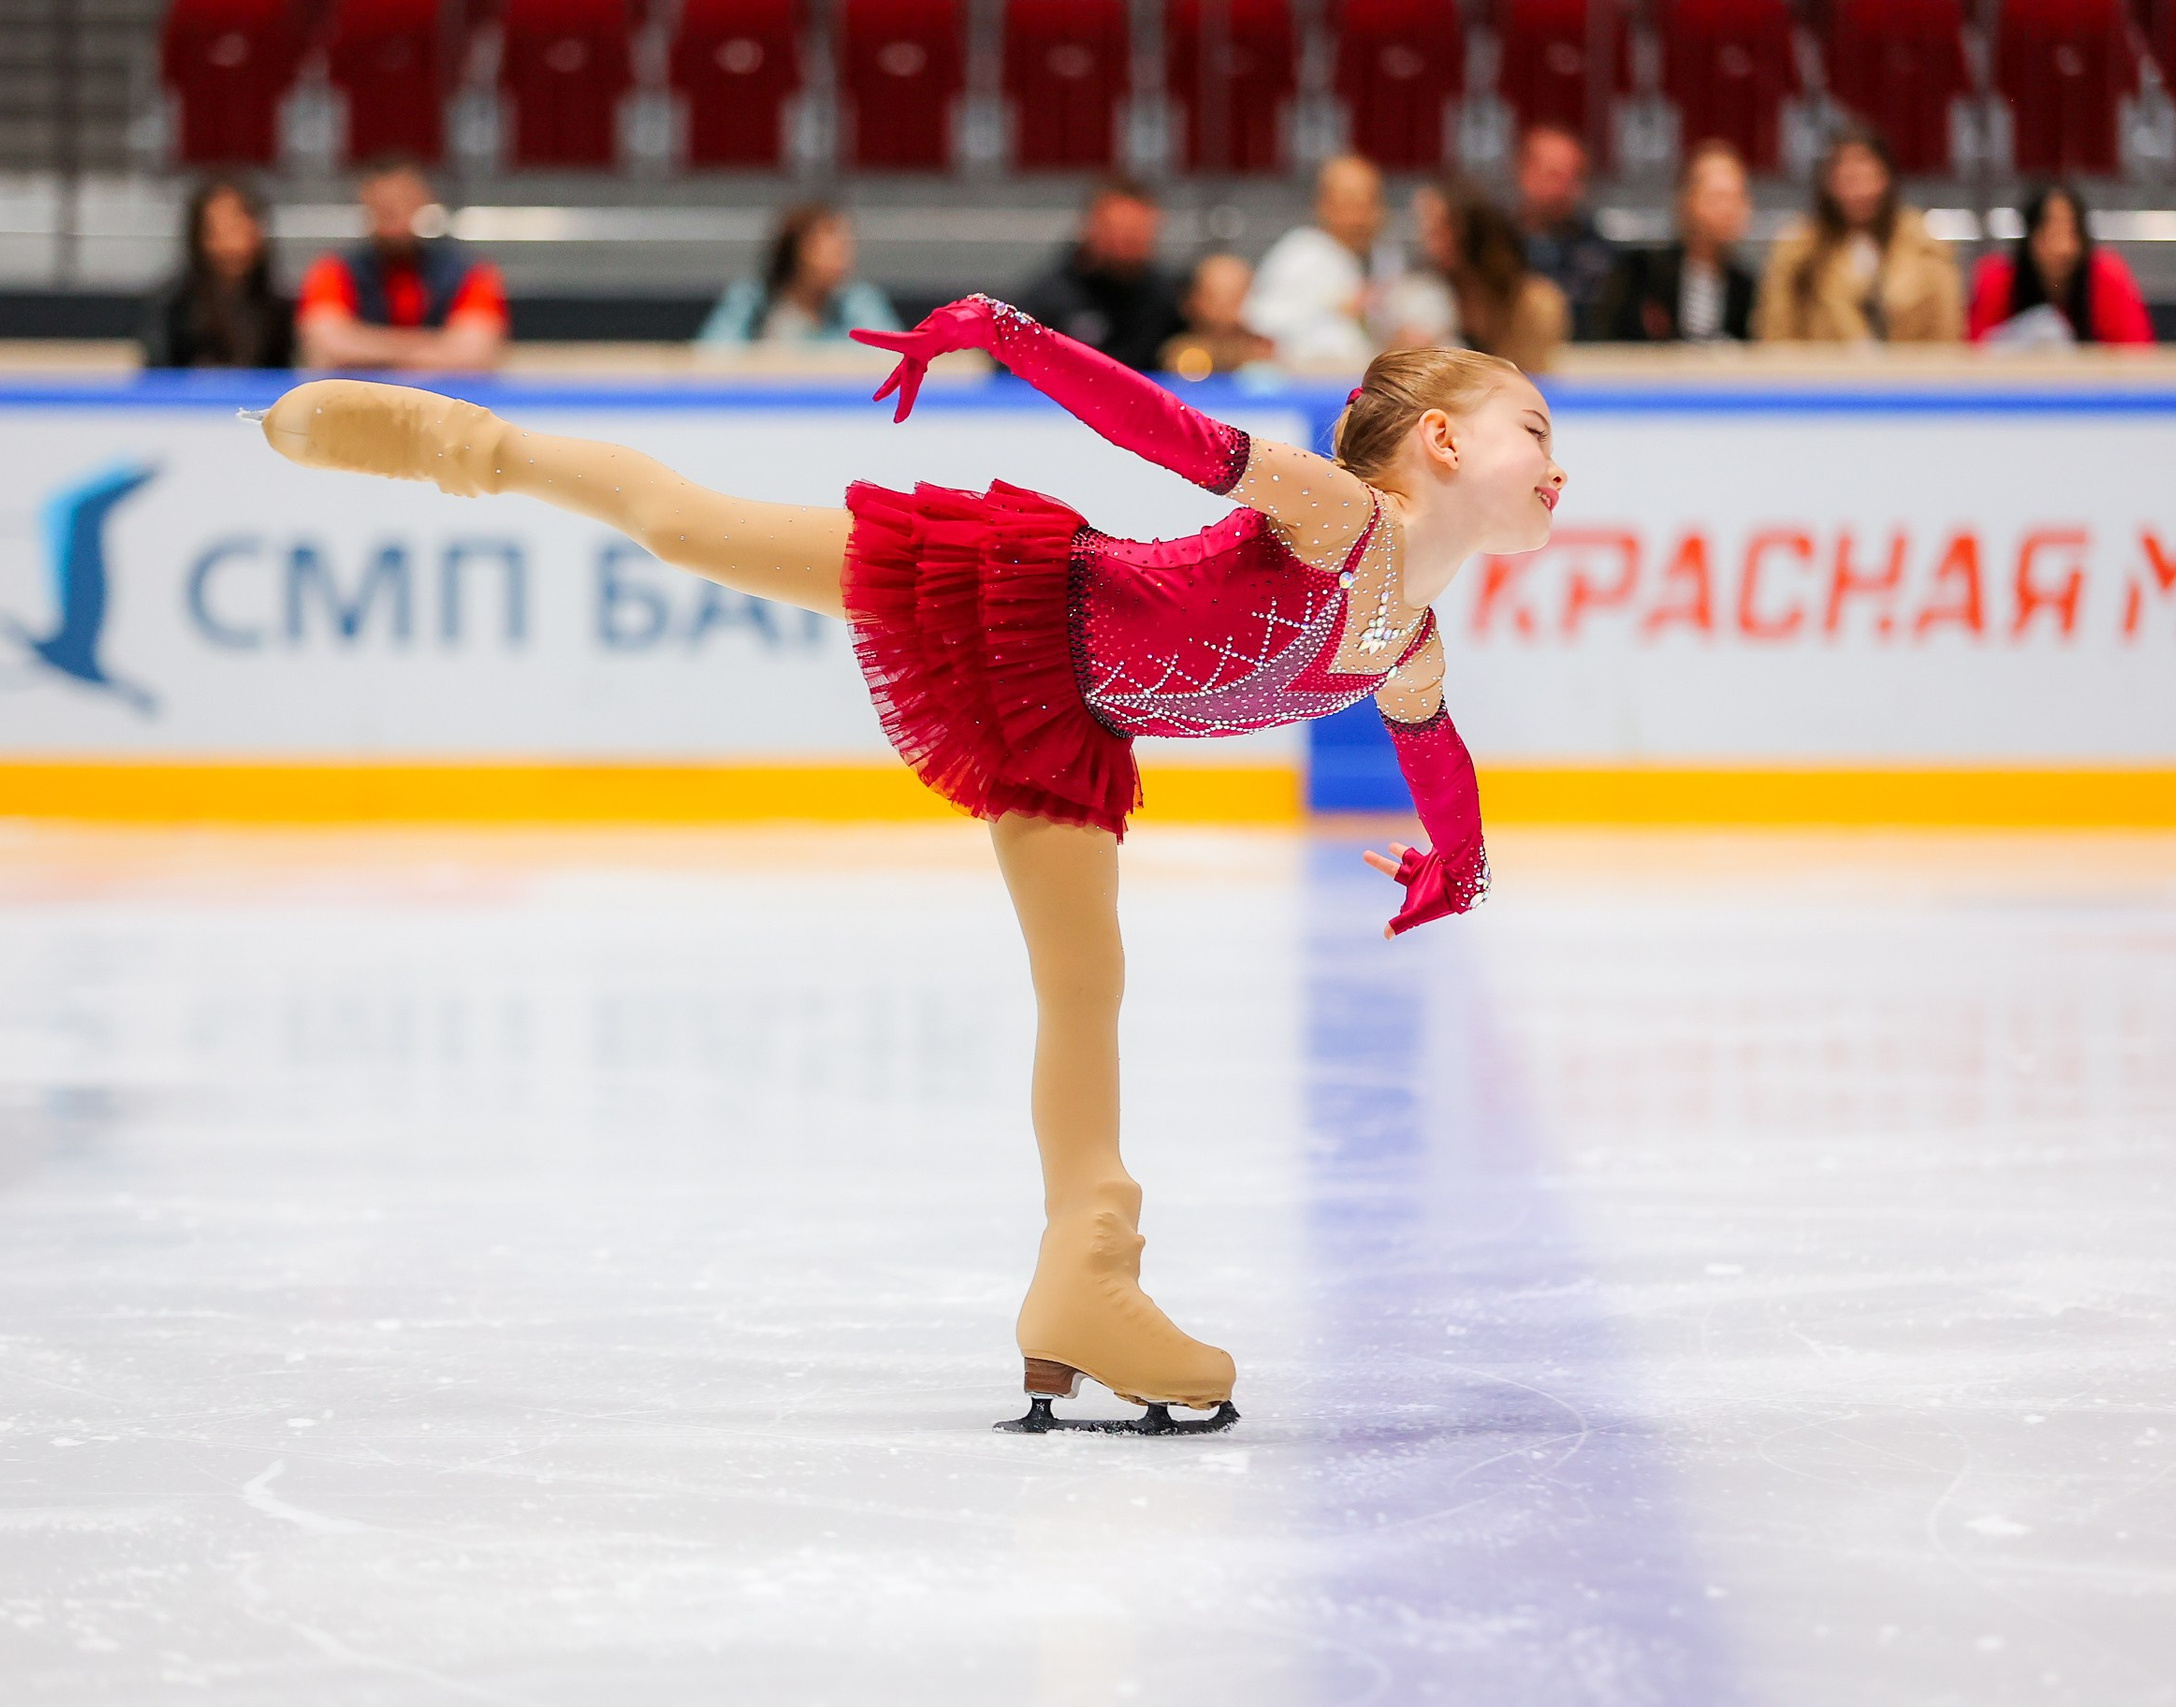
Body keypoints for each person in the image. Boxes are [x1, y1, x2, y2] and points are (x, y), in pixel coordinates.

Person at [256, 299, 1565, 1433]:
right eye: (1536, 430)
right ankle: (465, 444)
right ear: (1444, 439)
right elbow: (1170, 434)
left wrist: (1457, 866)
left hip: (1073, 721)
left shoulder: (1410, 642)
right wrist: (1006, 334)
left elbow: (1435, 754)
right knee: (697, 529)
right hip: (1011, 596)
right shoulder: (1346, 521)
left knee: (1086, 984)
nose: (1557, 464)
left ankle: (1084, 1273)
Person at [296, 155, 509, 372]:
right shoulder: (333, 270)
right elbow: (329, 346)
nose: (394, 213)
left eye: (403, 201)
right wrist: (436, 349)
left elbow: (474, 353)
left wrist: (365, 346)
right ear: (364, 202)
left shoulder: (471, 272)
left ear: (424, 200)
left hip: (443, 400)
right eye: (383, 206)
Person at [1755, 127, 1963, 344]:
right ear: (1828, 183)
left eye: (1868, 177)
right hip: (1824, 374)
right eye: (1848, 179)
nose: (1859, 191)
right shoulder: (1797, 250)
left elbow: (1948, 336)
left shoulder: (1926, 246)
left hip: (1912, 374)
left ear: (1886, 178)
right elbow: (1776, 337)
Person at [1594, 140, 1758, 343]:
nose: (1729, 210)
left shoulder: (1749, 289)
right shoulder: (1642, 275)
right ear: (1687, 202)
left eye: (1738, 197)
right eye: (1717, 197)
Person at [1017, 178, 1186, 372]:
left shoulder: (1166, 299)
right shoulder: (1048, 300)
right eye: (1118, 230)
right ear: (1091, 227)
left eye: (1137, 232)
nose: (1126, 242)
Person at [1968, 181, 2156, 347]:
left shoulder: (2107, 277)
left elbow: (2137, 352)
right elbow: (1974, 355)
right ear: (2030, 236)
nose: (2062, 248)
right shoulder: (1998, 281)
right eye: (2050, 233)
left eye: (2071, 232)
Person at [1246, 154, 1391, 368]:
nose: (1360, 215)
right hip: (1309, 386)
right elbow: (1262, 328)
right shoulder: (1299, 254)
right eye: (1349, 202)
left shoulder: (1385, 259)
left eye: (1369, 201)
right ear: (1323, 204)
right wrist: (1336, 311)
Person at [697, 203, 903, 349]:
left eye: (845, 248)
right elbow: (712, 357)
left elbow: (887, 357)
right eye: (832, 251)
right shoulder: (750, 299)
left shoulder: (859, 301)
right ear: (798, 252)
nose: (843, 259)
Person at [1416, 180, 1570, 373]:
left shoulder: (1537, 302)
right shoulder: (1427, 295)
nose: (1429, 244)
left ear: (1473, 232)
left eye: (1440, 230)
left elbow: (1531, 381)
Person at [142, 177, 295, 370]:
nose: (231, 245)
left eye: (239, 229)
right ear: (199, 238)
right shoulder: (172, 307)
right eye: (218, 232)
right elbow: (158, 377)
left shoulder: (277, 310)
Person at [1514, 124, 1617, 334]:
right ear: (1523, 172)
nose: (1565, 188)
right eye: (1555, 175)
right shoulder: (1496, 245)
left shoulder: (1603, 254)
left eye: (1575, 177)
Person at [1157, 252, 1276, 378]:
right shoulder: (1177, 350)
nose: (1222, 308)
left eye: (1234, 298)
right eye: (1213, 297)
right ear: (1191, 301)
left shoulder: (1264, 350)